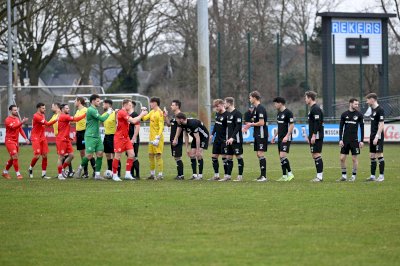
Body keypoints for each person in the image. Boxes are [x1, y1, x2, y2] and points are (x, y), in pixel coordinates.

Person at [75, 94, 112, 180]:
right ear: (93, 101)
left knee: (100, 153)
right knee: (89, 156)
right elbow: (102, 119)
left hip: (97, 136)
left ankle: (97, 175)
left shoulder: (95, 109)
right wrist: (109, 112)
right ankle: (80, 168)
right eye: (98, 101)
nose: (99, 102)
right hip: (90, 136)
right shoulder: (91, 110)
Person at [112, 99, 147, 181]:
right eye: (130, 105)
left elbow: (135, 122)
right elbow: (134, 120)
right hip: (119, 137)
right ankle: (114, 174)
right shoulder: (122, 112)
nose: (131, 107)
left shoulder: (126, 113)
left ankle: (128, 173)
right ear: (125, 105)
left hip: (126, 137)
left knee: (131, 154)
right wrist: (142, 114)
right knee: (118, 156)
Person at [174, 113, 209, 180]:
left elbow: (198, 138)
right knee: (192, 155)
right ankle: (194, 175)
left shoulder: (193, 123)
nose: (176, 120)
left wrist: (198, 150)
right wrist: (187, 149)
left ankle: (200, 176)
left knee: (199, 155)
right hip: (196, 138)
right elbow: (186, 136)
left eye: (177, 119)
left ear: (181, 119)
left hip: (203, 137)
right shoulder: (182, 124)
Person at [243, 90, 269, 182]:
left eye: (250, 97)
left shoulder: (260, 108)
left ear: (254, 98)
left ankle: (264, 176)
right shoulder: (255, 109)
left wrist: (250, 125)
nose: (249, 99)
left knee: (260, 153)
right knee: (259, 154)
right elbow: (254, 121)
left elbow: (262, 122)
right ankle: (262, 175)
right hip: (257, 133)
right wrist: (248, 125)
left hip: (261, 133)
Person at [28, 103, 58, 179]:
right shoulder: (36, 116)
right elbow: (47, 124)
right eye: (43, 108)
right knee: (37, 155)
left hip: (42, 137)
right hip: (35, 137)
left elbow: (43, 125)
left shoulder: (43, 115)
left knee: (45, 155)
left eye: (44, 108)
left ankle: (43, 174)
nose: (45, 109)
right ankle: (30, 168)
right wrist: (56, 120)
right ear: (38, 108)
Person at [56, 104, 86, 180]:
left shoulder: (65, 116)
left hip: (66, 139)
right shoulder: (64, 116)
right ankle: (60, 174)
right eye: (67, 108)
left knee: (71, 155)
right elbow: (76, 119)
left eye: (68, 108)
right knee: (61, 157)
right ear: (62, 109)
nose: (68, 109)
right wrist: (85, 114)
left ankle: (62, 169)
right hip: (61, 139)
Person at [338, 98, 364, 182]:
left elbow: (362, 128)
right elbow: (341, 127)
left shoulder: (359, 115)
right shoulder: (344, 114)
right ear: (350, 104)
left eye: (357, 104)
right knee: (342, 158)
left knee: (354, 159)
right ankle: (344, 176)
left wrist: (362, 140)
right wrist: (340, 139)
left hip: (354, 140)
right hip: (345, 140)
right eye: (355, 104)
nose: (357, 105)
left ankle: (353, 176)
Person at [2, 105, 29, 180]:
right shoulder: (8, 120)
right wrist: (22, 122)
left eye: (16, 110)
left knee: (13, 158)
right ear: (10, 111)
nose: (16, 111)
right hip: (9, 141)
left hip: (15, 141)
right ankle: (18, 174)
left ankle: (5, 172)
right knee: (15, 156)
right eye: (14, 110)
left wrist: (25, 138)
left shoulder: (17, 119)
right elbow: (14, 127)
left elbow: (20, 129)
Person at [271, 97, 295, 181]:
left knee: (282, 156)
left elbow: (292, 125)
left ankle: (290, 173)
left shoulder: (288, 113)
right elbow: (279, 126)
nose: (274, 105)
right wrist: (274, 136)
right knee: (280, 157)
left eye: (275, 103)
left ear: (280, 103)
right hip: (280, 138)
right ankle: (284, 175)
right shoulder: (279, 113)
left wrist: (287, 136)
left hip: (286, 138)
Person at [141, 97, 164, 180]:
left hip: (157, 138)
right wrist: (143, 112)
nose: (150, 104)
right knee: (150, 155)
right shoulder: (151, 112)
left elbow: (161, 126)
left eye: (151, 102)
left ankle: (160, 175)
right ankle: (152, 174)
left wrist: (158, 137)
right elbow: (143, 119)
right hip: (151, 138)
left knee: (158, 155)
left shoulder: (160, 113)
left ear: (155, 103)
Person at [304, 91, 324, 182]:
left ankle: (319, 177)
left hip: (317, 135)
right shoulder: (312, 108)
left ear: (310, 98)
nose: (305, 99)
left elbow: (317, 122)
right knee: (314, 154)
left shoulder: (315, 108)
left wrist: (314, 135)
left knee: (317, 154)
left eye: (306, 98)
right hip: (313, 134)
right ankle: (318, 176)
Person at [49, 102, 73, 176]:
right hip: (60, 138)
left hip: (64, 137)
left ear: (57, 107)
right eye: (67, 108)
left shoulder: (62, 115)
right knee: (63, 156)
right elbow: (48, 124)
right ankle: (64, 172)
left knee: (68, 155)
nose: (51, 108)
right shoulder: (55, 116)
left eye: (52, 106)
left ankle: (67, 171)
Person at [223, 97, 244, 182]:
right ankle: (228, 176)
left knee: (239, 156)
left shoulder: (237, 113)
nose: (224, 105)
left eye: (225, 103)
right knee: (228, 157)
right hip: (229, 140)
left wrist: (232, 137)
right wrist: (228, 138)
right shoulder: (228, 114)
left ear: (229, 103)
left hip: (236, 140)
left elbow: (238, 127)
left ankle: (240, 176)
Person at [74, 97, 96, 178]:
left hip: (85, 133)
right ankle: (86, 173)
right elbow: (75, 120)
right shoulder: (77, 111)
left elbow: (92, 120)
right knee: (82, 153)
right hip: (79, 133)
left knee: (88, 152)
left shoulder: (86, 110)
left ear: (79, 102)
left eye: (75, 101)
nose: (74, 102)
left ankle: (95, 171)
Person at [365, 93, 385, 182]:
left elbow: (381, 124)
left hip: (378, 136)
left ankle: (381, 176)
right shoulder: (373, 110)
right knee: (372, 155)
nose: (367, 102)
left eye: (367, 100)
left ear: (372, 99)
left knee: (379, 155)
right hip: (372, 135)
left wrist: (377, 136)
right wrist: (371, 137)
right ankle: (372, 176)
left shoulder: (380, 110)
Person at [164, 100, 184, 180]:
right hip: (173, 139)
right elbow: (169, 124)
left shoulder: (180, 115)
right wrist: (165, 116)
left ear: (177, 106)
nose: (171, 106)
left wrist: (175, 139)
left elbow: (180, 128)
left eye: (172, 105)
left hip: (177, 140)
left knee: (178, 157)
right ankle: (179, 175)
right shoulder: (174, 115)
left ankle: (181, 175)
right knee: (176, 157)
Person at [209, 99, 229, 181]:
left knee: (224, 157)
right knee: (214, 157)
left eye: (217, 106)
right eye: (215, 106)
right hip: (217, 139)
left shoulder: (227, 115)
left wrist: (228, 138)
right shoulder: (217, 114)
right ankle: (216, 175)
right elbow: (216, 126)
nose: (216, 108)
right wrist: (212, 134)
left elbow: (229, 128)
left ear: (222, 104)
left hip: (224, 139)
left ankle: (226, 176)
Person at [102, 99, 120, 178]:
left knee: (115, 155)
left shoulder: (115, 113)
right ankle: (110, 171)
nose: (103, 106)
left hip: (113, 136)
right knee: (107, 155)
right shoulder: (104, 114)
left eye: (104, 104)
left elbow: (118, 123)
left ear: (108, 105)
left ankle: (117, 172)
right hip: (106, 136)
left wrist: (116, 114)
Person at [128, 101, 141, 179]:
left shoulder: (135, 114)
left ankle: (137, 175)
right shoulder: (128, 115)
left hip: (133, 139)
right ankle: (131, 174)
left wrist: (133, 138)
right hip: (128, 138)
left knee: (134, 156)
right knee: (130, 156)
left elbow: (137, 127)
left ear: (131, 106)